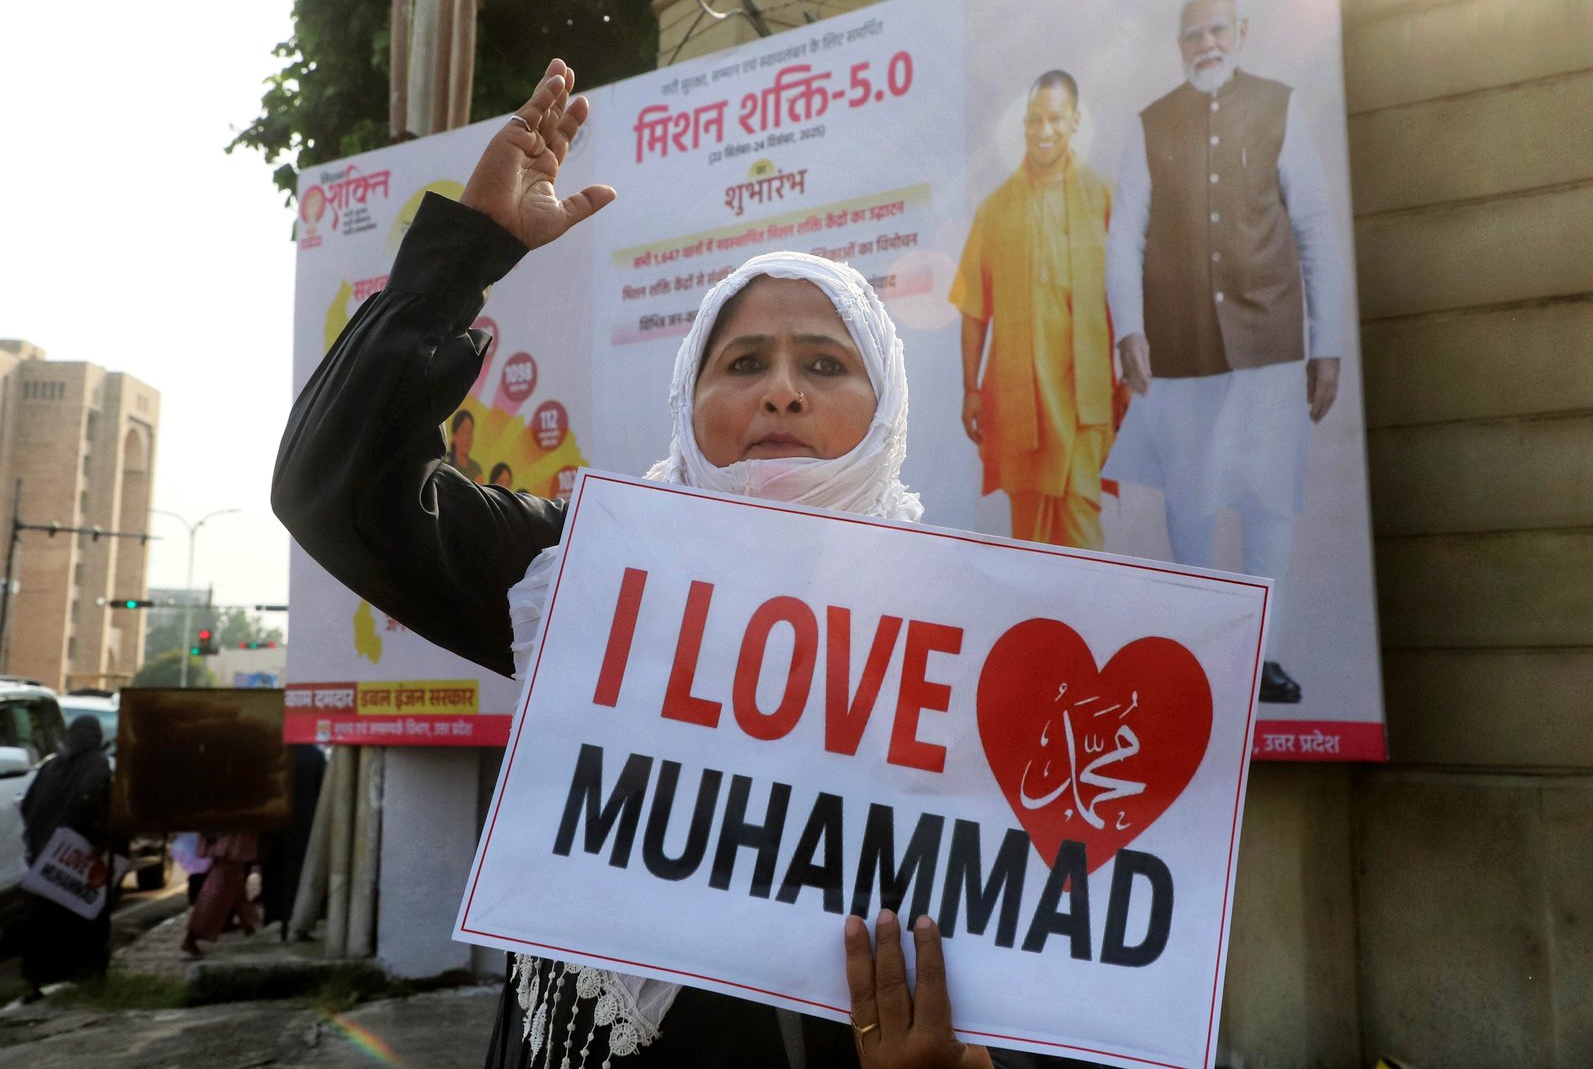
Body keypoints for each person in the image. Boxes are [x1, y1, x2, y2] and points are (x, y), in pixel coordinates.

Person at [274, 60, 1007, 1069]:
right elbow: (333, 485)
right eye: (743, 362)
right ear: (688, 402)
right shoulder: (583, 579)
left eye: (825, 364)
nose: (782, 392)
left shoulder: (971, 641)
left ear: (884, 413)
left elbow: (1037, 941)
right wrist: (464, 255)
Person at [1104, 0, 1347, 703]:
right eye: (1192, 35)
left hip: (1269, 338)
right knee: (1192, 503)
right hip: (1179, 346)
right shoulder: (1151, 123)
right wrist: (1129, 329)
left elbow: (1314, 228)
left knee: (1269, 501)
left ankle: (1263, 659)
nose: (1205, 44)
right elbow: (1125, 236)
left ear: (1239, 33)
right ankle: (1209, 657)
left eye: (1217, 31)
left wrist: (1324, 342)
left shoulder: (1278, 105)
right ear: (1179, 46)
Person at [950, 70, 1117, 550]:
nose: (1045, 131)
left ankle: (1087, 621)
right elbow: (973, 308)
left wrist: (1125, 375)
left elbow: (1125, 298)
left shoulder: (1103, 197)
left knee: (1084, 535)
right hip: (1021, 400)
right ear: (1024, 124)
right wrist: (969, 389)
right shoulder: (995, 209)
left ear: (1076, 122)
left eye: (1056, 119)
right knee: (1030, 543)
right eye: (1035, 120)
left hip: (1085, 395)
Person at [18, 715, 113, 999]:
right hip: (75, 855)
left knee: (41, 923)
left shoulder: (51, 764)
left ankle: (34, 983)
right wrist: (94, 840)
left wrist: (40, 838)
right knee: (86, 915)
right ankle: (90, 979)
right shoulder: (97, 762)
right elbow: (89, 797)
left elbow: (26, 805)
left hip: (45, 855)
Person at [181, 831, 260, 958]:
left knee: (231, 879)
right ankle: (192, 935)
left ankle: (249, 925)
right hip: (231, 833)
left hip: (224, 832)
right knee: (221, 881)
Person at [448, 409, 484, 482]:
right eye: (463, 431)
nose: (467, 437)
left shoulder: (476, 470)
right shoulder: (446, 465)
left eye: (469, 431)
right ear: (454, 436)